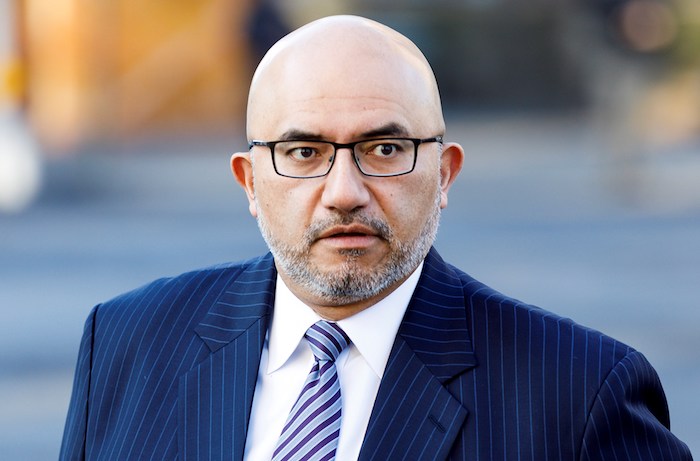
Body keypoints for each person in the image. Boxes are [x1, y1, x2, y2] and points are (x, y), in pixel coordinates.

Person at [59, 15, 692, 461]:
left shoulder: (579, 394)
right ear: (249, 182)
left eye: (385, 148)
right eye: (303, 152)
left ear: (444, 175)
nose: (344, 192)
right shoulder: (125, 344)